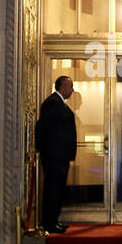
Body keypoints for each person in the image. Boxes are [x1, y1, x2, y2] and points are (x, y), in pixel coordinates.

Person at [36, 75, 76, 234]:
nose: (72, 90)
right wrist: (42, 149)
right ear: (63, 86)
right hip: (54, 157)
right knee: (53, 189)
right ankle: (49, 223)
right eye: (71, 86)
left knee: (58, 190)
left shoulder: (60, 103)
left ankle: (54, 220)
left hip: (60, 156)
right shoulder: (52, 103)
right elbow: (42, 127)